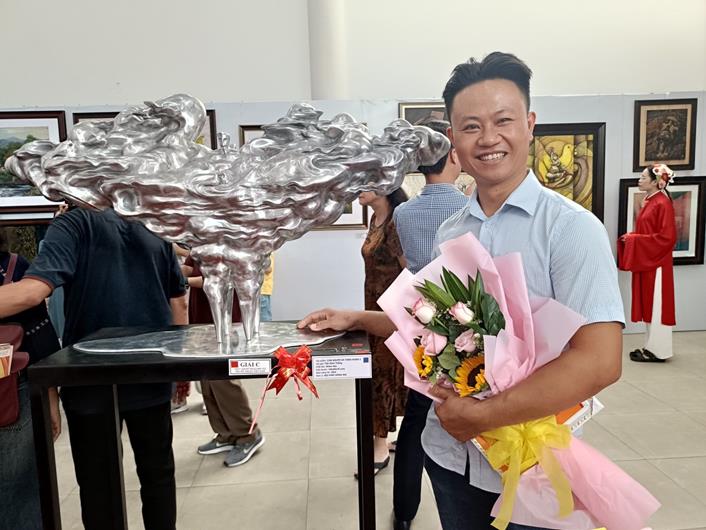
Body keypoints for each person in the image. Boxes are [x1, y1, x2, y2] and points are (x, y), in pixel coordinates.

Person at [298, 51, 624, 530]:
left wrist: (485, 416)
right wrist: (358, 317)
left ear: (530, 125)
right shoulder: (451, 230)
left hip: (528, 462)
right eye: (471, 126)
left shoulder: (571, 229)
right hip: (449, 456)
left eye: (503, 120)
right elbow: (436, 327)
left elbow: (600, 361)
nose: (488, 138)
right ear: (454, 140)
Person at [0, 207, 188, 530]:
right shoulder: (152, 220)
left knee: (99, 486)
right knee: (158, 475)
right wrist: (179, 369)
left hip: (90, 379)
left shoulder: (73, 224)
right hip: (151, 371)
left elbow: (32, 291)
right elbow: (179, 301)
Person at [390, 119, 468, 530]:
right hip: (467, 323)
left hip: (421, 321)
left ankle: (404, 512)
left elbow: (408, 264)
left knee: (416, 415)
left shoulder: (403, 212)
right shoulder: (468, 207)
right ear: (453, 154)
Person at [0, 229, 61, 530]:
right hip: (11, 393)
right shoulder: (13, 268)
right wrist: (51, 399)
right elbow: (40, 337)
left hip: (12, 395)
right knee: (19, 490)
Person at [185, 255, 265, 467]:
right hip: (202, 317)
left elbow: (221, 278)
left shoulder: (227, 242)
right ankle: (226, 433)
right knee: (207, 379)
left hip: (224, 320)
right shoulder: (199, 241)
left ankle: (247, 435)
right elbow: (190, 268)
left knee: (224, 380)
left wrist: (182, 281)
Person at [358, 187, 408, 476]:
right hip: (372, 309)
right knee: (382, 374)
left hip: (391, 314)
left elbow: (408, 271)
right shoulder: (375, 220)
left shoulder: (396, 222)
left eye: (365, 183)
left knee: (383, 376)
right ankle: (391, 436)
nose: (358, 190)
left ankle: (379, 444)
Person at [618, 163, 677, 362]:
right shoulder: (652, 200)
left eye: (644, 177)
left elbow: (667, 238)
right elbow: (649, 232)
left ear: (655, 182)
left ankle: (659, 351)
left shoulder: (662, 203)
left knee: (657, 305)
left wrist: (635, 239)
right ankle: (651, 347)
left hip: (658, 264)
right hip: (650, 260)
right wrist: (632, 237)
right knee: (650, 304)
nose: (639, 180)